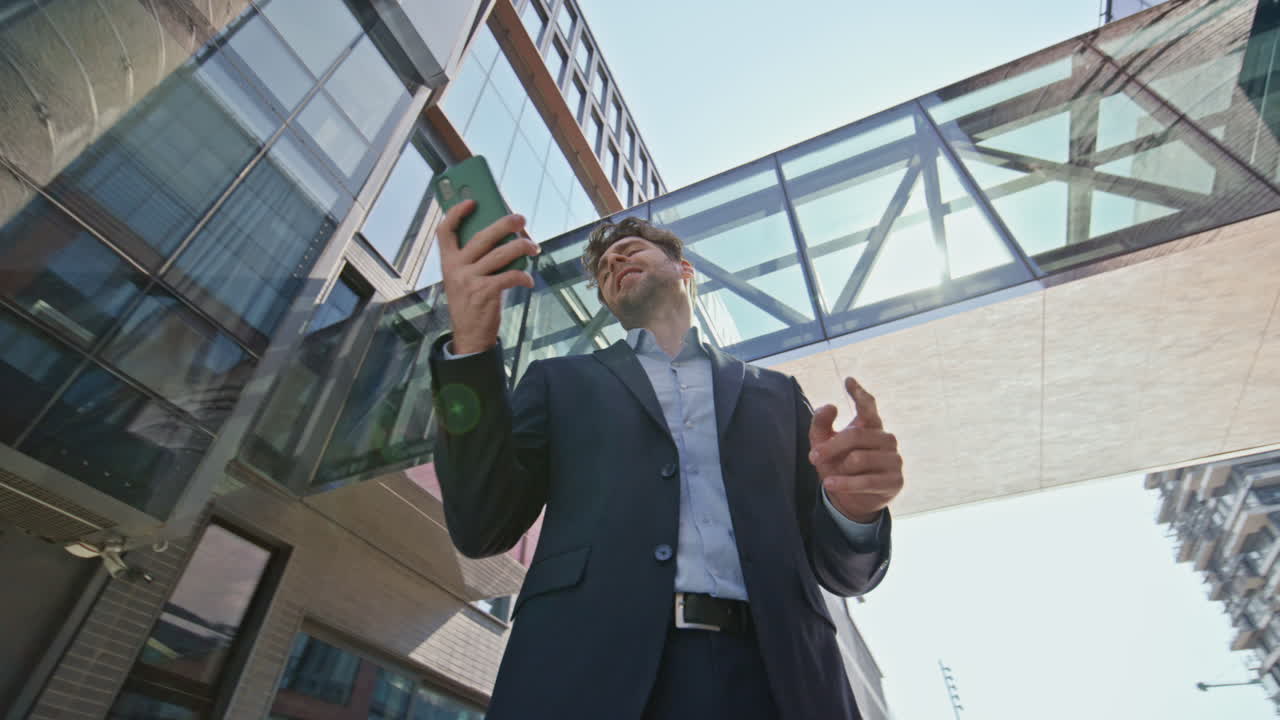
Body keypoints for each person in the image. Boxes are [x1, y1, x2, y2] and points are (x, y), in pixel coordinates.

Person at [429, 202, 904, 719]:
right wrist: (472, 348)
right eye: (604, 266)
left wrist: (856, 513)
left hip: (782, 681)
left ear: (684, 270)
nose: (613, 261)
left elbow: (843, 571)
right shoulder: (557, 382)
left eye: (630, 249)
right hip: (585, 674)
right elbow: (482, 525)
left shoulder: (778, 394)